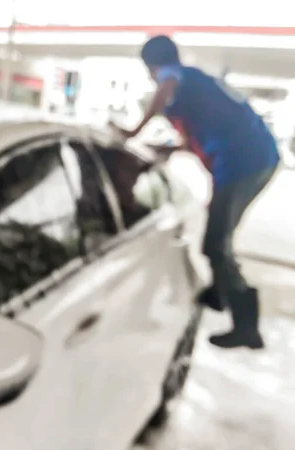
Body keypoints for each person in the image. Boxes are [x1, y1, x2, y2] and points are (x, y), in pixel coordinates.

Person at [111, 35, 280, 350]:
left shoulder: (177, 76)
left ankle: (247, 327)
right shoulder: (197, 87)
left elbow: (165, 87)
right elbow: (193, 140)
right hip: (252, 159)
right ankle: (218, 294)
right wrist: (163, 150)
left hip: (243, 164)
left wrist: (134, 131)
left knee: (216, 242)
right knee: (217, 235)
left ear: (152, 66)